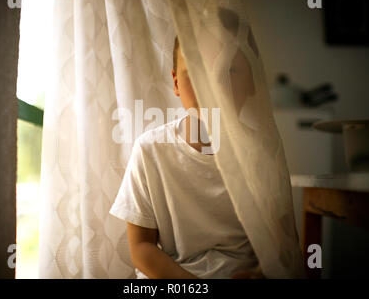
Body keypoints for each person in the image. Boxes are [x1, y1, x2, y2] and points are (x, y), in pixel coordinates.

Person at [109, 37, 263, 279]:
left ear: (251, 83)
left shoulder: (261, 153)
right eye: (196, 70)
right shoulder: (151, 150)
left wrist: (258, 274)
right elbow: (141, 248)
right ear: (176, 82)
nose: (212, 84)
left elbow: (280, 242)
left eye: (230, 71)